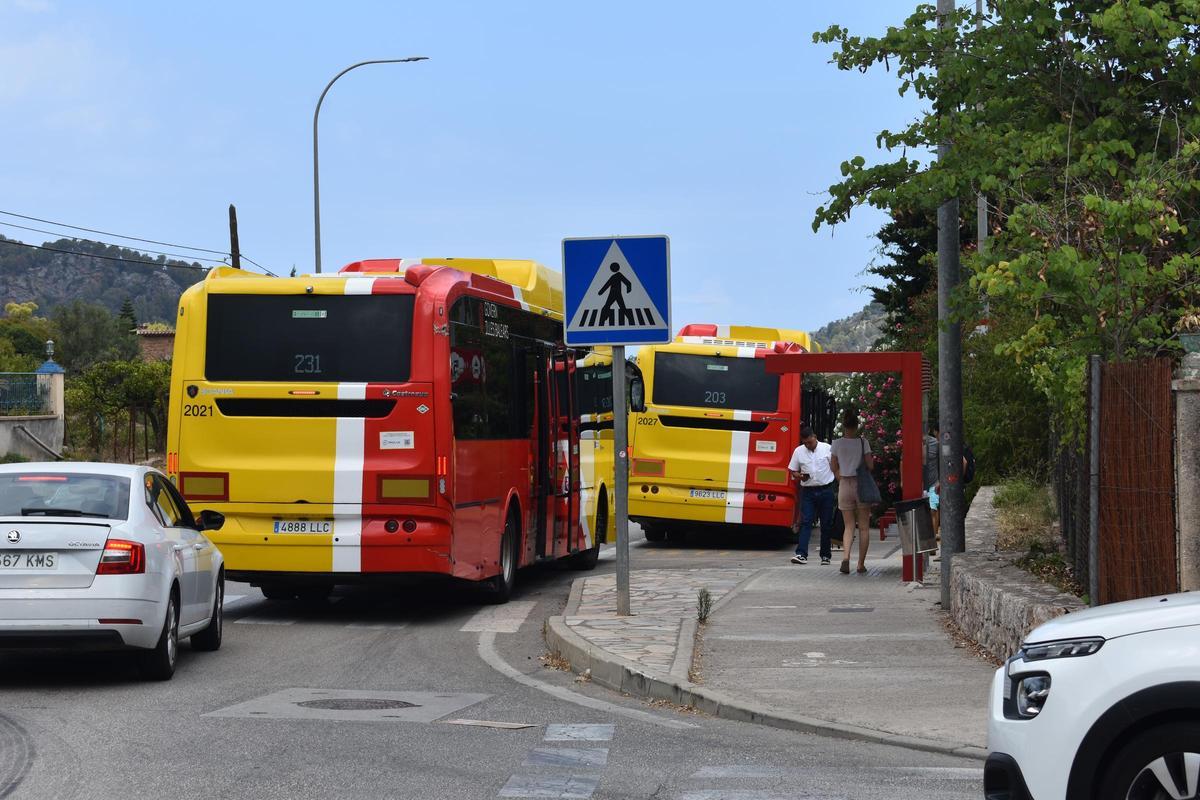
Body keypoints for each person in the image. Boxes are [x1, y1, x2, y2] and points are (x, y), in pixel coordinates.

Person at [829, 410, 875, 575]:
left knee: (848, 526)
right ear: (856, 426)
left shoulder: (837, 444)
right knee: (863, 527)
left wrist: (839, 476)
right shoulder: (863, 443)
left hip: (845, 484)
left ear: (844, 425)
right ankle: (861, 564)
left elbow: (833, 465)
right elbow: (870, 466)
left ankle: (846, 557)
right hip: (861, 485)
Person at [787, 427, 836, 565]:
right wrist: (799, 476)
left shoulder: (827, 448)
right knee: (806, 521)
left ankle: (825, 556)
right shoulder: (799, 451)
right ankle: (801, 554)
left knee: (826, 523)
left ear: (814, 437)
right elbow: (792, 470)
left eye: (810, 442)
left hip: (826, 489)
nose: (808, 445)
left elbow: (835, 467)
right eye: (806, 443)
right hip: (808, 491)